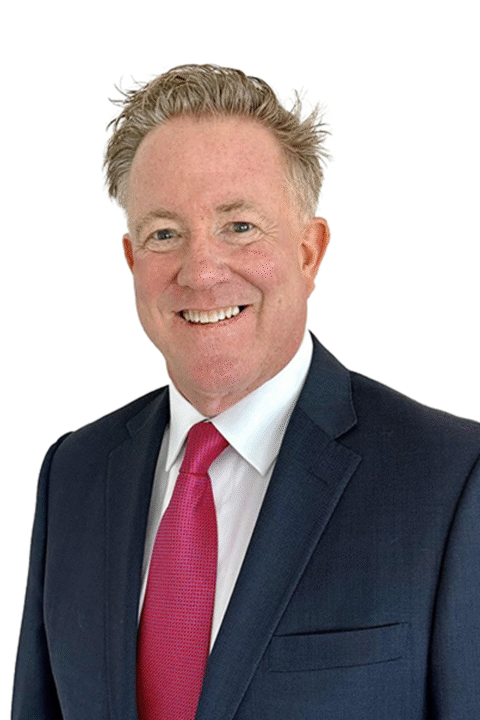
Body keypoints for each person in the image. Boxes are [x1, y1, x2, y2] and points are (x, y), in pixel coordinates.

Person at [12, 64, 480, 720]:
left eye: (239, 226)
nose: (201, 272)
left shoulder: (452, 478)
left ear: (309, 251)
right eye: (164, 233)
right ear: (132, 260)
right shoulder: (74, 473)